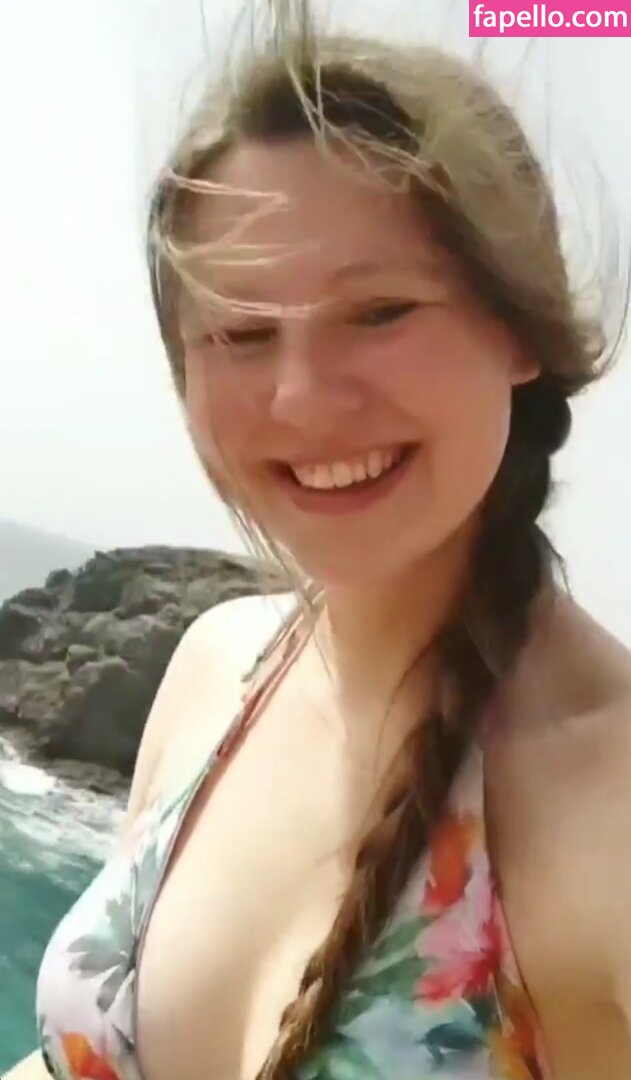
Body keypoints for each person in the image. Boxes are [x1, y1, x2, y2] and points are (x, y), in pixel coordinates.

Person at [7, 2, 631, 1078]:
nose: (300, 398)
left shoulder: (606, 802)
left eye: (379, 312)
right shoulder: (217, 669)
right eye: (242, 332)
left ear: (520, 327)